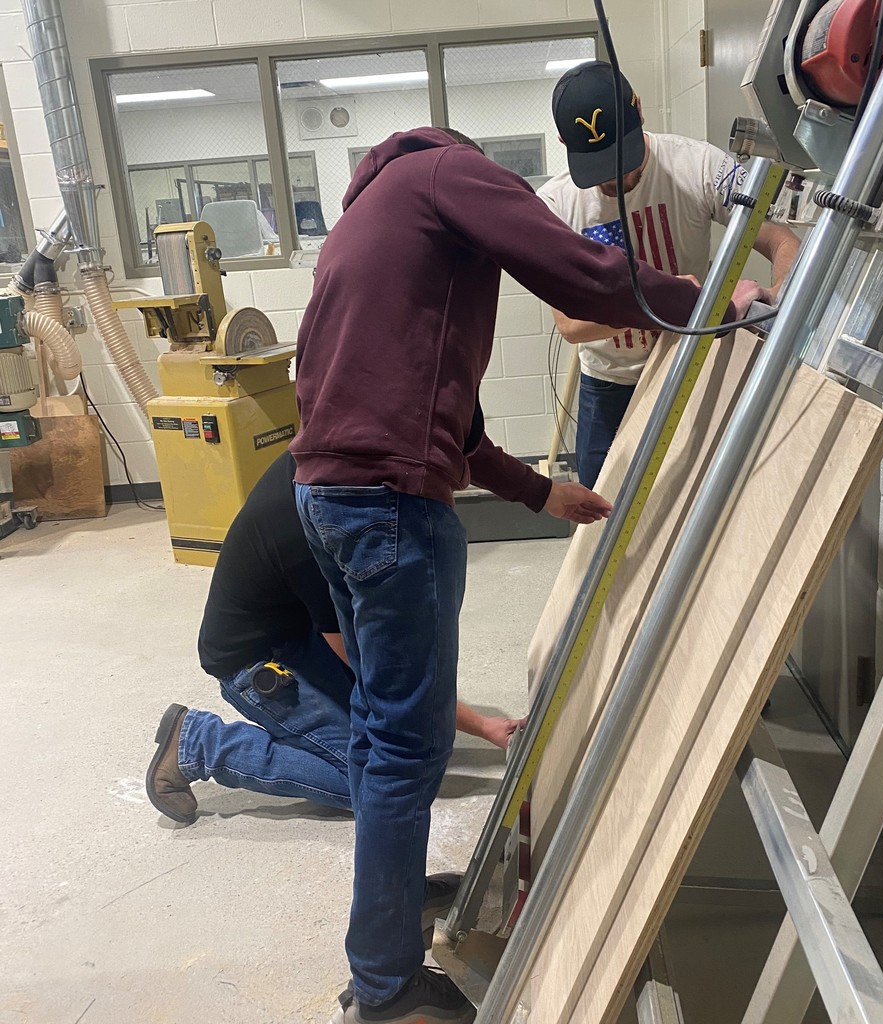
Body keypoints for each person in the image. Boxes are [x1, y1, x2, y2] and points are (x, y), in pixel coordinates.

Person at [290, 125, 759, 1024]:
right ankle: (384, 986)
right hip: (391, 505)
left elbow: (443, 413)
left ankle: (380, 940)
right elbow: (575, 269)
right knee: (404, 750)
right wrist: (696, 297)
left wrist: (541, 495)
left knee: (379, 738)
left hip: (329, 496)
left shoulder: (368, 220)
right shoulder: (448, 173)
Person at [145, 451, 523, 831]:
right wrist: (482, 725)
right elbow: (372, 669)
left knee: (401, 740)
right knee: (370, 783)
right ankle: (200, 744)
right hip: (254, 663)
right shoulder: (315, 524)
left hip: (298, 634)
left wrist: (545, 494)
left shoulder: (327, 458)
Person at [538, 60, 803, 489]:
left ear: (639, 111)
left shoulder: (698, 167)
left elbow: (780, 239)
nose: (619, 179)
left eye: (624, 160)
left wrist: (779, 301)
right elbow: (570, 325)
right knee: (598, 519)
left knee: (695, 507)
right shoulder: (553, 206)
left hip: (691, 369)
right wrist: (673, 299)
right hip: (610, 388)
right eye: (602, 169)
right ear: (565, 144)